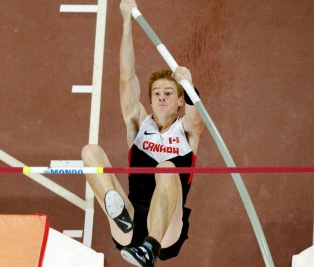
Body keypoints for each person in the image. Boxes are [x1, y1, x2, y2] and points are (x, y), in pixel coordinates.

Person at [81, 0, 204, 266]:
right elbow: (127, 77)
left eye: (168, 93)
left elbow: (196, 120)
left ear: (181, 101)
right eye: (157, 93)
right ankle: (119, 214)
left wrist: (190, 85)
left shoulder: (187, 132)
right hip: (132, 220)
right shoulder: (138, 124)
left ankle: (150, 247)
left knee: (167, 169)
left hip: (167, 232)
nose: (161, 98)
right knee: (90, 152)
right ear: (149, 100)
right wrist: (126, 23)